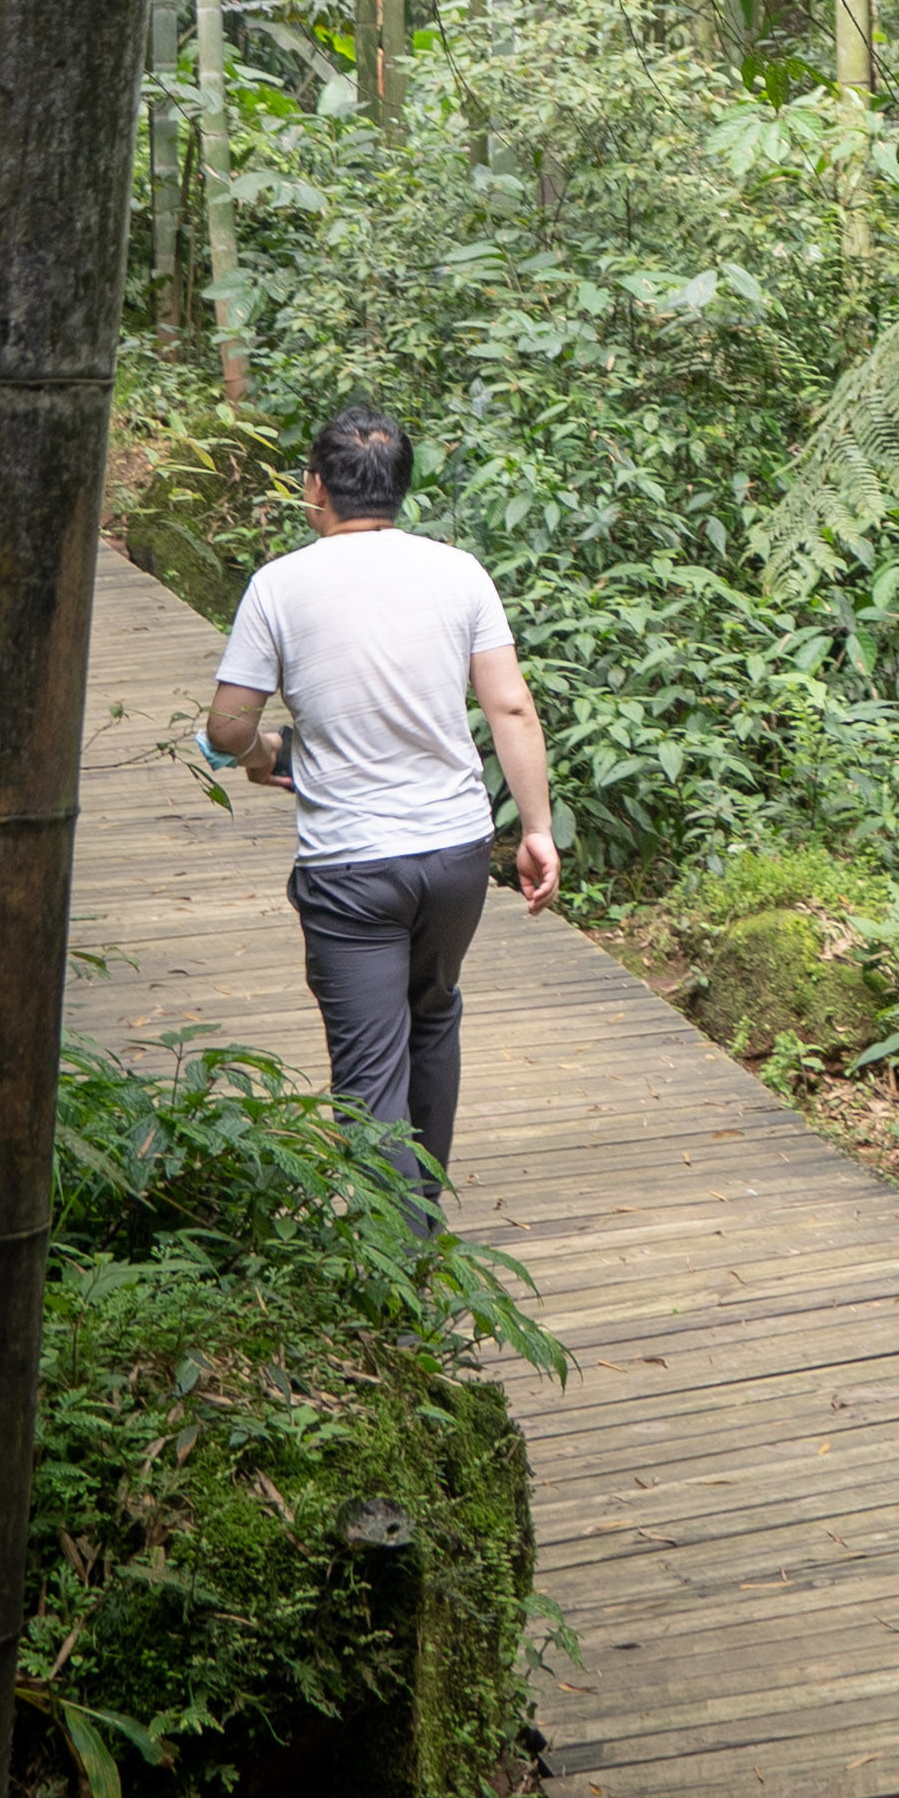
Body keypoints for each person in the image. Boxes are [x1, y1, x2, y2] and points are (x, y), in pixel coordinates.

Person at [198, 403, 558, 1220]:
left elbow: (226, 728)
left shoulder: (279, 585)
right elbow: (510, 710)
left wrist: (267, 760)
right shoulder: (458, 572)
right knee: (432, 1018)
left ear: (315, 488)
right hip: (458, 855)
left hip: (351, 867)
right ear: (399, 488)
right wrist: (536, 830)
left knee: (368, 1075)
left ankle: (396, 1275)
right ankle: (419, 1226)